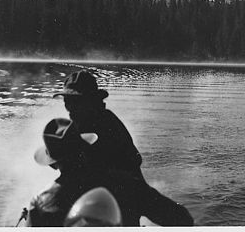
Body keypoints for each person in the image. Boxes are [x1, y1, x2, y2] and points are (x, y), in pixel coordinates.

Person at [26, 118, 193, 227]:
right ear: (84, 150)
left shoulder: (40, 204)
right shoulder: (127, 184)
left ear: (53, 165)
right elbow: (182, 219)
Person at [54, 70, 144, 179]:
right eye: (67, 101)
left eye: (77, 101)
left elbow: (130, 164)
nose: (70, 107)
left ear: (91, 100)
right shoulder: (81, 121)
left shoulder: (105, 123)